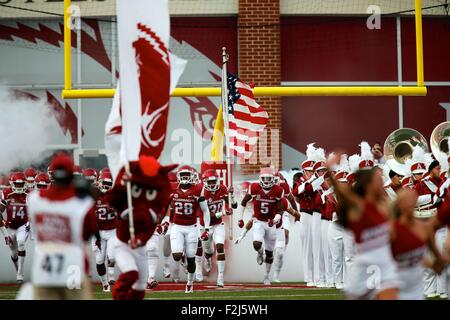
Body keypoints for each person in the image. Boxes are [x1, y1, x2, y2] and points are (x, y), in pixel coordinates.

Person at [25, 153, 98, 299]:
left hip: (44, 269)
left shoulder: (34, 199)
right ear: (72, 176)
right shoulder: (82, 204)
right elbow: (89, 233)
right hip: (72, 266)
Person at [329, 157, 400, 300]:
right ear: (368, 185)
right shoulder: (359, 206)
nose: (381, 182)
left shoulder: (385, 205)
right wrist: (329, 169)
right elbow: (342, 194)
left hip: (386, 265)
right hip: (364, 265)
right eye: (378, 181)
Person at [107, 156, 176, 300]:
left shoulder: (153, 210)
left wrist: (139, 240)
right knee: (131, 274)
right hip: (123, 245)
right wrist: (121, 183)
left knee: (140, 287)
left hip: (140, 248)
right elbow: (111, 199)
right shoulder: (127, 200)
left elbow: (149, 229)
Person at [390, 189, 445, 300]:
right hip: (395, 284)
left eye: (412, 201)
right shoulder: (391, 229)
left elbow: (419, 256)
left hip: (416, 288)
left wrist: (435, 264)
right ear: (399, 205)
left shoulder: (424, 228)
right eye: (406, 202)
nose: (410, 204)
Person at [169, 165, 211, 293]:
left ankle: (189, 283)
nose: (185, 178)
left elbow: (205, 210)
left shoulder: (198, 189)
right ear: (178, 177)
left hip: (192, 227)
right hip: (177, 226)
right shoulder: (172, 189)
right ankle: (182, 259)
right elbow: (166, 208)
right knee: (176, 255)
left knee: (191, 257)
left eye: (188, 175)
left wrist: (206, 229)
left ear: (192, 177)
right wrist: (163, 223)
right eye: (183, 175)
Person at [238, 168, 284, 285]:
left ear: (273, 179)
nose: (267, 181)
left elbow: (280, 210)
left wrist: (275, 220)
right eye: (265, 179)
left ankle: (266, 276)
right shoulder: (254, 188)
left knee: (270, 254)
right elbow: (243, 202)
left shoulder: (278, 191)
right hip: (258, 221)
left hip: (271, 223)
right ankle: (259, 252)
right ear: (260, 179)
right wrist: (240, 218)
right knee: (256, 244)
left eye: (269, 179)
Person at [200, 169, 236, 287]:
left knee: (220, 247)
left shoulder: (223, 189)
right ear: (204, 182)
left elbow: (233, 205)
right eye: (209, 182)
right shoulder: (202, 193)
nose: (211, 184)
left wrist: (232, 195)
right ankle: (208, 259)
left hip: (218, 224)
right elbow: (207, 215)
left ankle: (220, 278)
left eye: (213, 181)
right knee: (209, 251)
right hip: (205, 225)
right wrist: (223, 213)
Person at [0, 171, 30, 283]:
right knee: (13, 252)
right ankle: (17, 270)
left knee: (21, 242)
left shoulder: (29, 194)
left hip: (23, 225)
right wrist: (3, 221)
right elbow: (0, 211)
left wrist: (29, 223)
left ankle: (20, 274)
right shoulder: (7, 193)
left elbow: (34, 211)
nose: (19, 186)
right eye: (16, 184)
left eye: (21, 184)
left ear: (25, 183)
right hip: (10, 226)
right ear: (12, 184)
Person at [92, 170, 118, 292]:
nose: (106, 187)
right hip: (98, 232)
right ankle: (105, 283)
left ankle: (112, 277)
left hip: (112, 230)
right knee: (99, 260)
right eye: (104, 183)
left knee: (111, 257)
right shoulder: (93, 197)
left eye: (109, 184)